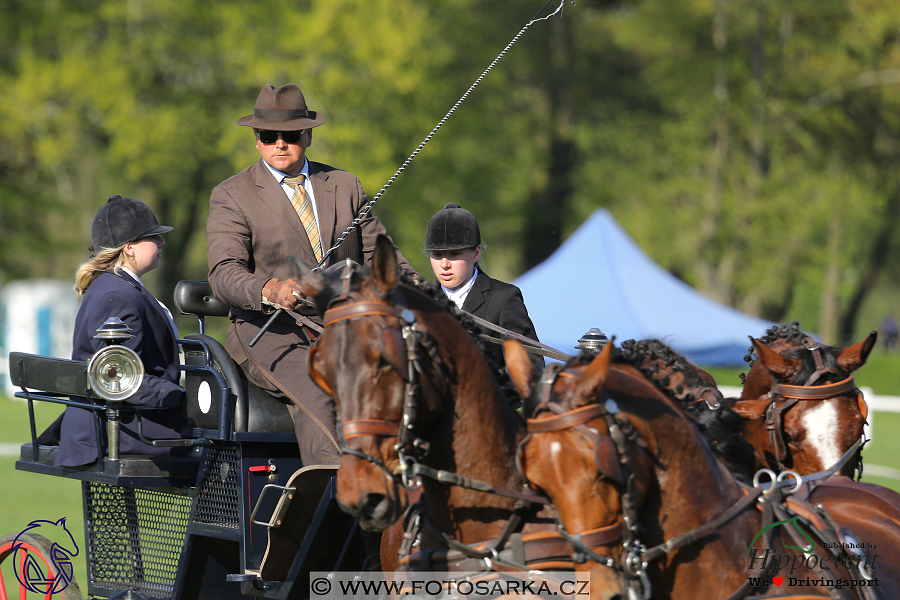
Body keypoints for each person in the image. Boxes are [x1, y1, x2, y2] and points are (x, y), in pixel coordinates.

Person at [206, 83, 415, 467]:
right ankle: (333, 501)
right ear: (256, 140)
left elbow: (382, 257)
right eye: (268, 136)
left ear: (308, 135)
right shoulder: (232, 194)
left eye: (289, 135)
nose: (279, 144)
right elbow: (224, 273)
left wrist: (419, 291)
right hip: (268, 332)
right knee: (324, 390)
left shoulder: (345, 186)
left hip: (346, 326)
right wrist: (270, 289)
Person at [53, 195, 187, 467]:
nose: (161, 243)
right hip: (117, 428)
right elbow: (117, 376)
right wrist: (182, 398)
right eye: (153, 237)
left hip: (120, 420)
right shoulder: (118, 294)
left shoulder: (115, 287)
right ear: (130, 248)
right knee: (221, 440)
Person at [425, 202, 544, 375]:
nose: (444, 264)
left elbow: (530, 371)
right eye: (437, 255)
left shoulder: (504, 298)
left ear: (476, 253)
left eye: (454, 254)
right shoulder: (422, 300)